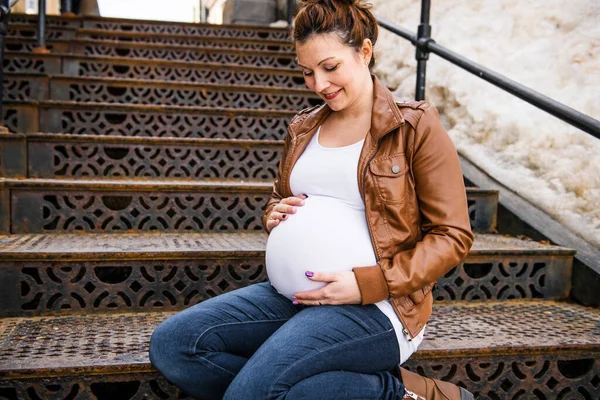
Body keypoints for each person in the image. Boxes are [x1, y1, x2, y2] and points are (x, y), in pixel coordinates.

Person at [149, 0, 475, 399]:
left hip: (378, 309)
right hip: (292, 297)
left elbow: (452, 235)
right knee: (176, 346)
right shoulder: (303, 127)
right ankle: (381, 391)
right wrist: (274, 212)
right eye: (307, 72)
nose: (319, 84)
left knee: (254, 393)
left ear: (365, 52)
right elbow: (281, 196)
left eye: (330, 67)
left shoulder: (413, 126)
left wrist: (367, 284)